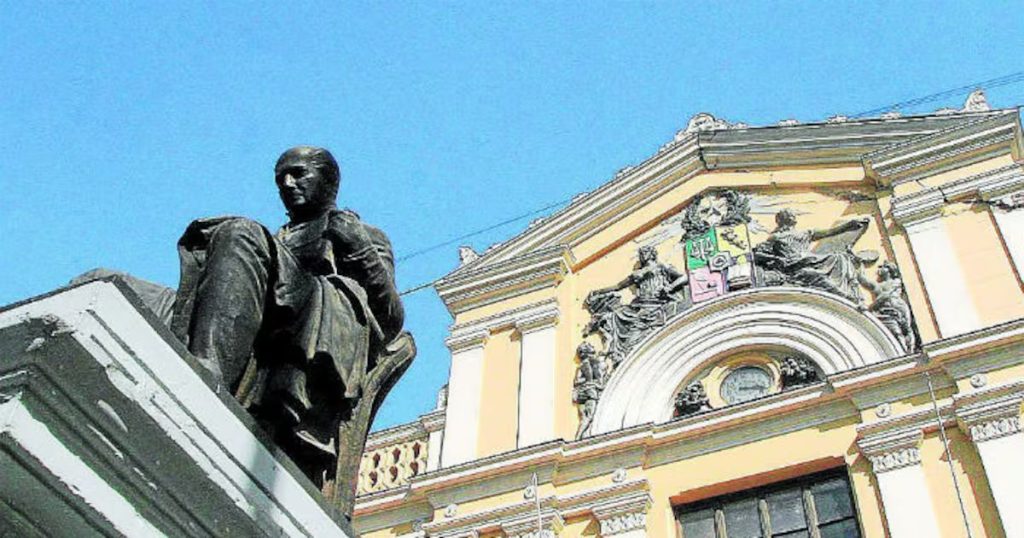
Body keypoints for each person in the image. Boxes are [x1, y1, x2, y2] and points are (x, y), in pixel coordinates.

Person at [76, 146, 404, 484]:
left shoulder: (364, 234)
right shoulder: (274, 238)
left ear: (329, 180)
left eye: (298, 173)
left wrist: (358, 247)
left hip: (298, 327)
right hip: (243, 322)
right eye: (280, 179)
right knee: (102, 283)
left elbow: (391, 319)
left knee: (239, 231)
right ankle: (79, 410)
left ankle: (203, 383)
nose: (287, 184)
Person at [584, 245, 688, 364]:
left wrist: (671, 286)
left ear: (652, 254)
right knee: (615, 315)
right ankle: (620, 353)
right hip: (640, 305)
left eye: (645, 252)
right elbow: (618, 286)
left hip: (655, 304)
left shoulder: (661, 267)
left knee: (637, 333)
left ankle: (627, 354)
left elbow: (684, 277)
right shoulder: (637, 273)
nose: (642, 255)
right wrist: (599, 291)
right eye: (641, 253)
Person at [753, 210, 870, 303]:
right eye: (788, 215)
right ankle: (844, 296)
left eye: (792, 215)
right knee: (815, 275)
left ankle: (850, 292)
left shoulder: (805, 233)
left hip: (809, 260)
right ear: (781, 220)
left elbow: (830, 232)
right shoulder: (776, 237)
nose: (792, 217)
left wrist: (848, 226)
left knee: (840, 258)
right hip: (793, 265)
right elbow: (758, 254)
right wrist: (776, 259)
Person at [858, 261, 917, 351]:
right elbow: (863, 279)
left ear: (890, 270)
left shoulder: (895, 281)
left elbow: (885, 296)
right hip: (883, 311)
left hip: (897, 308)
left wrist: (870, 307)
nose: (879, 270)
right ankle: (901, 349)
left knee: (906, 329)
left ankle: (909, 349)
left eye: (883, 267)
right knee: (894, 330)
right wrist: (860, 263)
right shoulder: (877, 285)